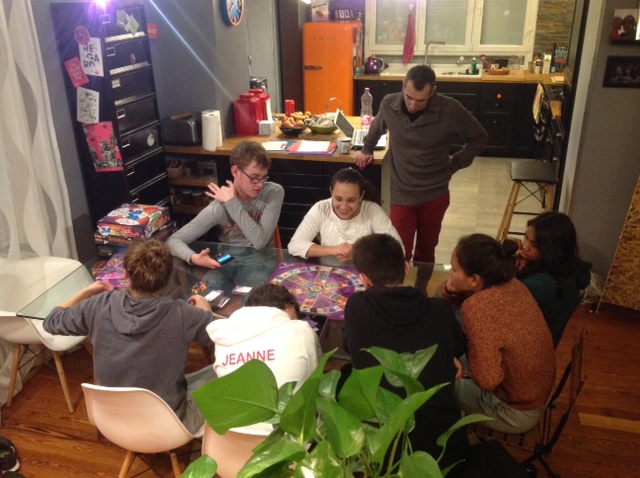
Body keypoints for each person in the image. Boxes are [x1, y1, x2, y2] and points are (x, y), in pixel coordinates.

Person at [43, 239, 215, 434]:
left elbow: (51, 321)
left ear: (125, 274)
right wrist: (206, 311)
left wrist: (88, 291)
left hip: (111, 418)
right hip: (168, 426)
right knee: (223, 376)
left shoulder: (99, 304)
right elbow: (215, 337)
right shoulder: (183, 314)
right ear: (168, 277)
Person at [343, 233, 468, 469]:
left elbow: (349, 347)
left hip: (382, 453)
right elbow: (460, 345)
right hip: (442, 450)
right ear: (406, 268)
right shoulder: (441, 310)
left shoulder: (356, 307)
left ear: (364, 280)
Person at [354, 65, 488, 263]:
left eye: (420, 100)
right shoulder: (389, 104)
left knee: (426, 251)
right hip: (402, 193)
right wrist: (367, 149)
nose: (413, 105)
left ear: (433, 92)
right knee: (400, 253)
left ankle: (422, 283)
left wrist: (455, 164)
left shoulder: (450, 110)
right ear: (403, 86)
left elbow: (479, 137)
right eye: (409, 97)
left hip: (435, 194)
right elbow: (376, 128)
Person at [441, 233, 555, 434]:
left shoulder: (478, 307)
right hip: (537, 393)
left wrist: (464, 354)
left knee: (436, 377)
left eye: (454, 269)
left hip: (515, 411)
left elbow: (487, 380)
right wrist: (451, 290)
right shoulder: (511, 283)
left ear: (475, 279)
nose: (450, 273)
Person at [167, 140, 285, 294]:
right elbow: (174, 240)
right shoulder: (218, 208)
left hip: (260, 263)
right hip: (226, 261)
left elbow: (259, 242)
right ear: (235, 171)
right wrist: (194, 257)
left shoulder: (273, 192)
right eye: (254, 178)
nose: (260, 185)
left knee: (255, 303)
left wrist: (231, 203)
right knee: (197, 295)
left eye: (264, 178)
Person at [206, 283, 322, 434]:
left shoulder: (221, 335)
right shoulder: (302, 330)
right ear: (286, 308)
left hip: (229, 435)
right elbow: (315, 380)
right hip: (290, 438)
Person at [287, 167, 402, 263]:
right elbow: (294, 245)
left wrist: (358, 253)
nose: (344, 207)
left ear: (361, 196)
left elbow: (398, 249)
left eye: (351, 200)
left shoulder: (372, 211)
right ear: (331, 192)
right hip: (328, 274)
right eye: (338, 199)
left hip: (365, 274)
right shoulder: (321, 208)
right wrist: (334, 250)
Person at [515, 212, 592, 348]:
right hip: (541, 334)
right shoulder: (563, 264)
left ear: (552, 249)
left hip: (534, 346)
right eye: (526, 237)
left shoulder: (545, 283)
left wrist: (512, 268)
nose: (525, 246)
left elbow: (500, 294)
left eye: (535, 245)